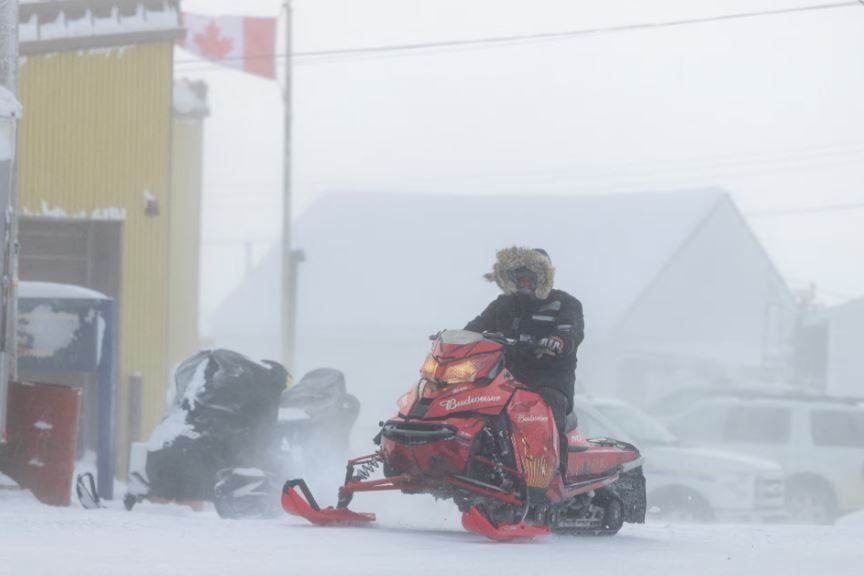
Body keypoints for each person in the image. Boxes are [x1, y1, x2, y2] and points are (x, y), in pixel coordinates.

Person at [465, 247, 584, 472]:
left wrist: (558, 341)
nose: (525, 283)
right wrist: (458, 339)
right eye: (520, 278)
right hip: (507, 378)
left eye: (531, 278)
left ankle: (553, 474)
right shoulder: (503, 305)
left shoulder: (565, 304)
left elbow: (572, 331)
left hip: (550, 377)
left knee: (549, 405)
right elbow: (476, 327)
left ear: (544, 278)